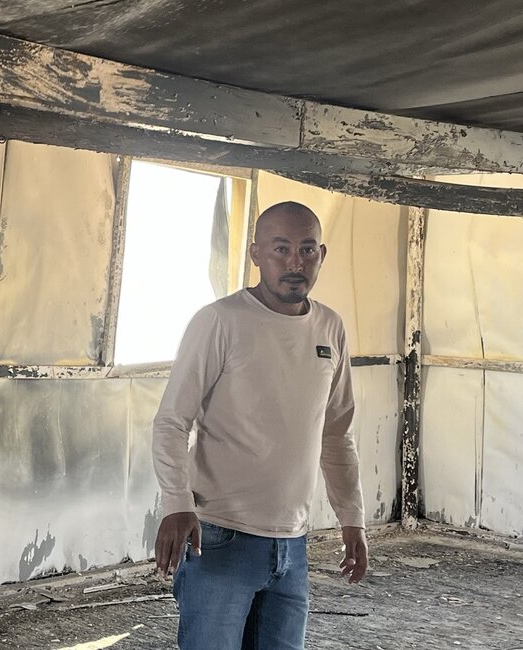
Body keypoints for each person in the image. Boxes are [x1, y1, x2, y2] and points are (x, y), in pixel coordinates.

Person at [150, 200, 369, 649]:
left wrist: (353, 519)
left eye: (307, 250)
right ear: (255, 255)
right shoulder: (220, 322)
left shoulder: (330, 327)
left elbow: (336, 433)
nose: (295, 263)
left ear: (322, 254)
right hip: (218, 537)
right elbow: (172, 421)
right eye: (281, 249)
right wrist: (176, 503)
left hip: (293, 543)